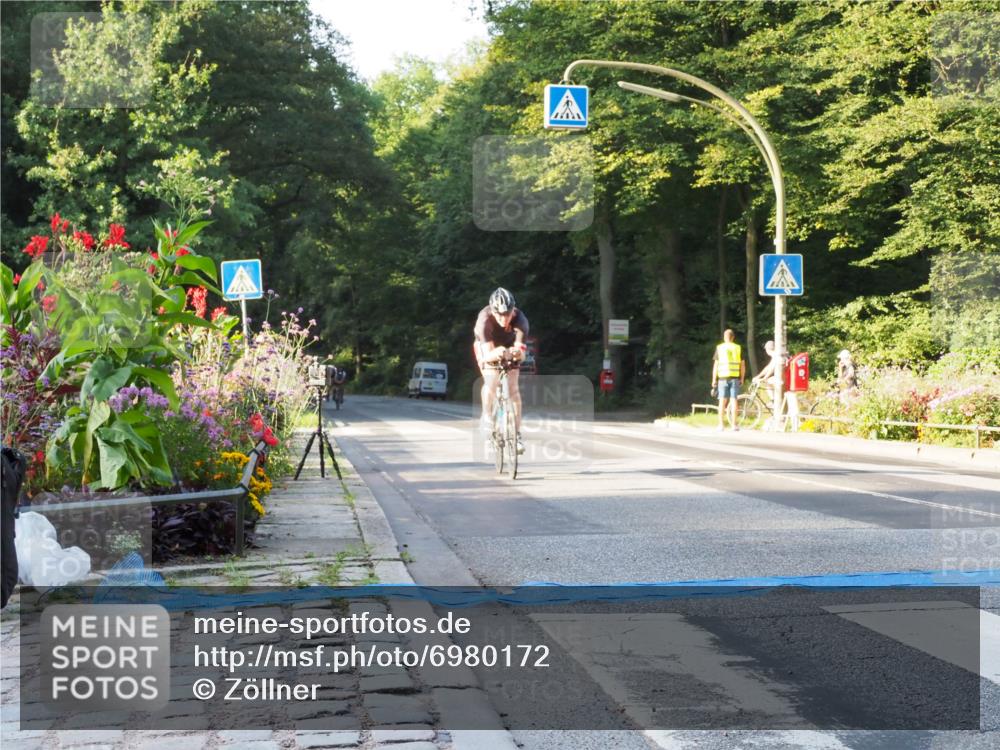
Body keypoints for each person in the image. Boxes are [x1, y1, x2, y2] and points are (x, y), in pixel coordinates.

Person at [474, 287, 528, 454]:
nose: (504, 319)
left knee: (514, 390)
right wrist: (497, 354)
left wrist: (517, 353)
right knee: (491, 379)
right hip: (487, 346)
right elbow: (487, 356)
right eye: (500, 315)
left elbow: (522, 354)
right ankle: (487, 417)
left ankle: (517, 434)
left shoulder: (520, 320)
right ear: (493, 311)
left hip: (509, 345)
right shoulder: (484, 320)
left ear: (513, 310)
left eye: (508, 314)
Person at [712, 328, 746, 431]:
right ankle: (734, 425)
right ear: (733, 337)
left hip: (722, 378)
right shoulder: (738, 348)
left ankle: (721, 425)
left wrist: (714, 379)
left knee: (722, 401)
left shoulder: (720, 348)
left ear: (724, 337)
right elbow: (743, 365)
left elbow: (716, 365)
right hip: (735, 378)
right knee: (734, 400)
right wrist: (742, 378)